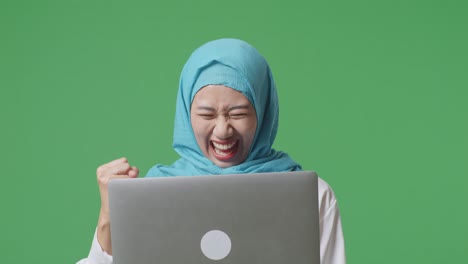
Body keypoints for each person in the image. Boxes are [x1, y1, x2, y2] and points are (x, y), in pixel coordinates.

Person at [77, 38, 346, 264]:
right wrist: (108, 218)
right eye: (206, 114)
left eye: (238, 113)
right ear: (186, 114)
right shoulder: (151, 194)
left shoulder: (312, 196)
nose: (222, 130)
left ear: (263, 113)